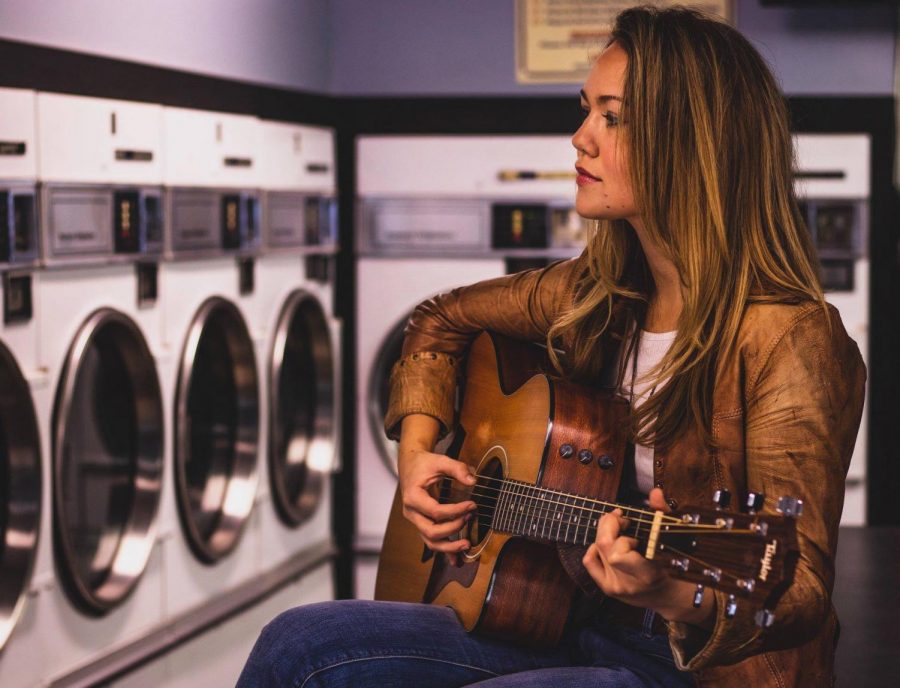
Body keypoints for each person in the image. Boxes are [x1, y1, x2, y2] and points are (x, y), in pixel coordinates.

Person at [238, 6, 865, 687]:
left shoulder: (791, 337)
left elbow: (797, 587)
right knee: (299, 643)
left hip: (710, 670)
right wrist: (418, 455)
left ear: (692, 141)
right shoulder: (594, 293)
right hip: (574, 620)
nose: (579, 139)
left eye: (612, 117)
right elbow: (437, 320)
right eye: (585, 111)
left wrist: (672, 593)